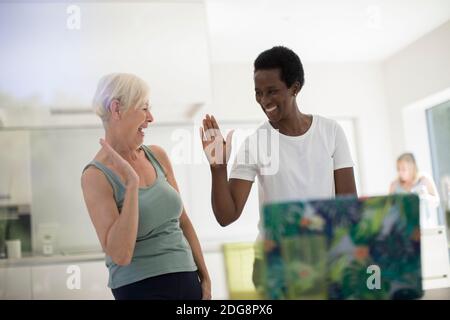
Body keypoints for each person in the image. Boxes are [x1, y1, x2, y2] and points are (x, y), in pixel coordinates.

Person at [199, 46, 357, 287]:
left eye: (272, 91)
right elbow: (226, 216)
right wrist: (218, 168)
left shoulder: (331, 132)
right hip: (274, 262)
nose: (264, 101)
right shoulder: (255, 143)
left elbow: (348, 204)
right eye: (258, 93)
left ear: (295, 88)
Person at [81, 73, 211, 300]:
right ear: (116, 109)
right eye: (143, 108)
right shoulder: (95, 176)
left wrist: (206, 277)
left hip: (188, 278)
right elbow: (121, 255)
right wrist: (131, 185)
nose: (151, 118)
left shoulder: (157, 155)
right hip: (141, 288)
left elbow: (183, 222)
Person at [389, 152, 440, 227]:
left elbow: (436, 202)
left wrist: (425, 196)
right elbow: (389, 209)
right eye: (398, 169)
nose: (400, 172)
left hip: (424, 227)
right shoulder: (394, 185)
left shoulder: (424, 180)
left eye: (403, 169)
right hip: (403, 229)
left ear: (412, 168)